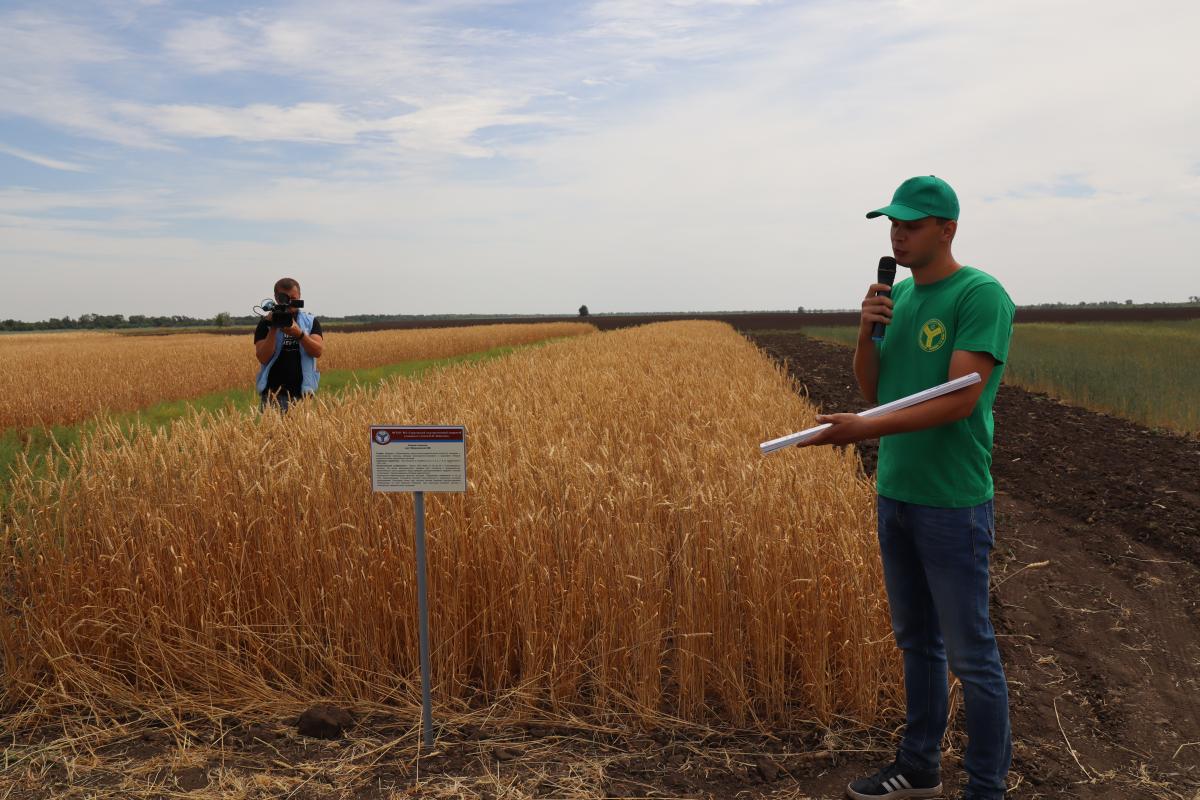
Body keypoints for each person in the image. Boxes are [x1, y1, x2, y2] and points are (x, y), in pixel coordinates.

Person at [797, 176, 1015, 800]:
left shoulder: (980, 295)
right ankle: (919, 769)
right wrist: (867, 329)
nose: (898, 233)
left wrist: (862, 431)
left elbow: (959, 397)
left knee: (972, 656)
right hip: (896, 492)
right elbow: (874, 391)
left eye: (912, 224)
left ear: (947, 229)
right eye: (893, 223)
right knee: (917, 642)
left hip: (952, 502)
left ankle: (985, 789)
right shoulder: (900, 299)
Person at [254, 277, 324, 411]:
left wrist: (300, 334)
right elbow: (263, 357)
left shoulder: (310, 322)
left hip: (304, 394)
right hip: (272, 395)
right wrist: (273, 327)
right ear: (276, 298)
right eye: (285, 298)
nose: (290, 303)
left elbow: (317, 351)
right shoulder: (265, 323)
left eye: (293, 298)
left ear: (299, 297)